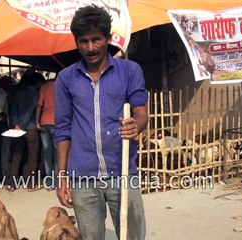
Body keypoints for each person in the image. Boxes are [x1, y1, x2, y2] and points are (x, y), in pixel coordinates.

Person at [53, 5, 148, 240]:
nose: (90, 47)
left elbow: (141, 113)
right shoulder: (66, 79)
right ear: (76, 42)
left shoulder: (129, 71)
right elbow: (62, 130)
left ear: (108, 38)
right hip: (82, 177)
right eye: (83, 41)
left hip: (122, 171)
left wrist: (136, 125)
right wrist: (62, 177)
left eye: (96, 39)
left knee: (133, 236)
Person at [6, 72, 43, 192]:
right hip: (30, 128)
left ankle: (11, 183)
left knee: (17, 155)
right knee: (32, 157)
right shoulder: (35, 94)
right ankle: (31, 184)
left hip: (17, 128)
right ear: (36, 83)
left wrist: (16, 124)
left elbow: (14, 110)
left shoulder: (18, 93)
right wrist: (22, 125)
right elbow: (30, 111)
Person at [35, 77, 56, 189]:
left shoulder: (43, 87)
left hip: (44, 123)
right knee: (58, 154)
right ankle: (58, 182)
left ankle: (49, 182)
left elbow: (39, 106)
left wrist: (37, 121)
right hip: (57, 123)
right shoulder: (60, 86)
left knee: (47, 153)